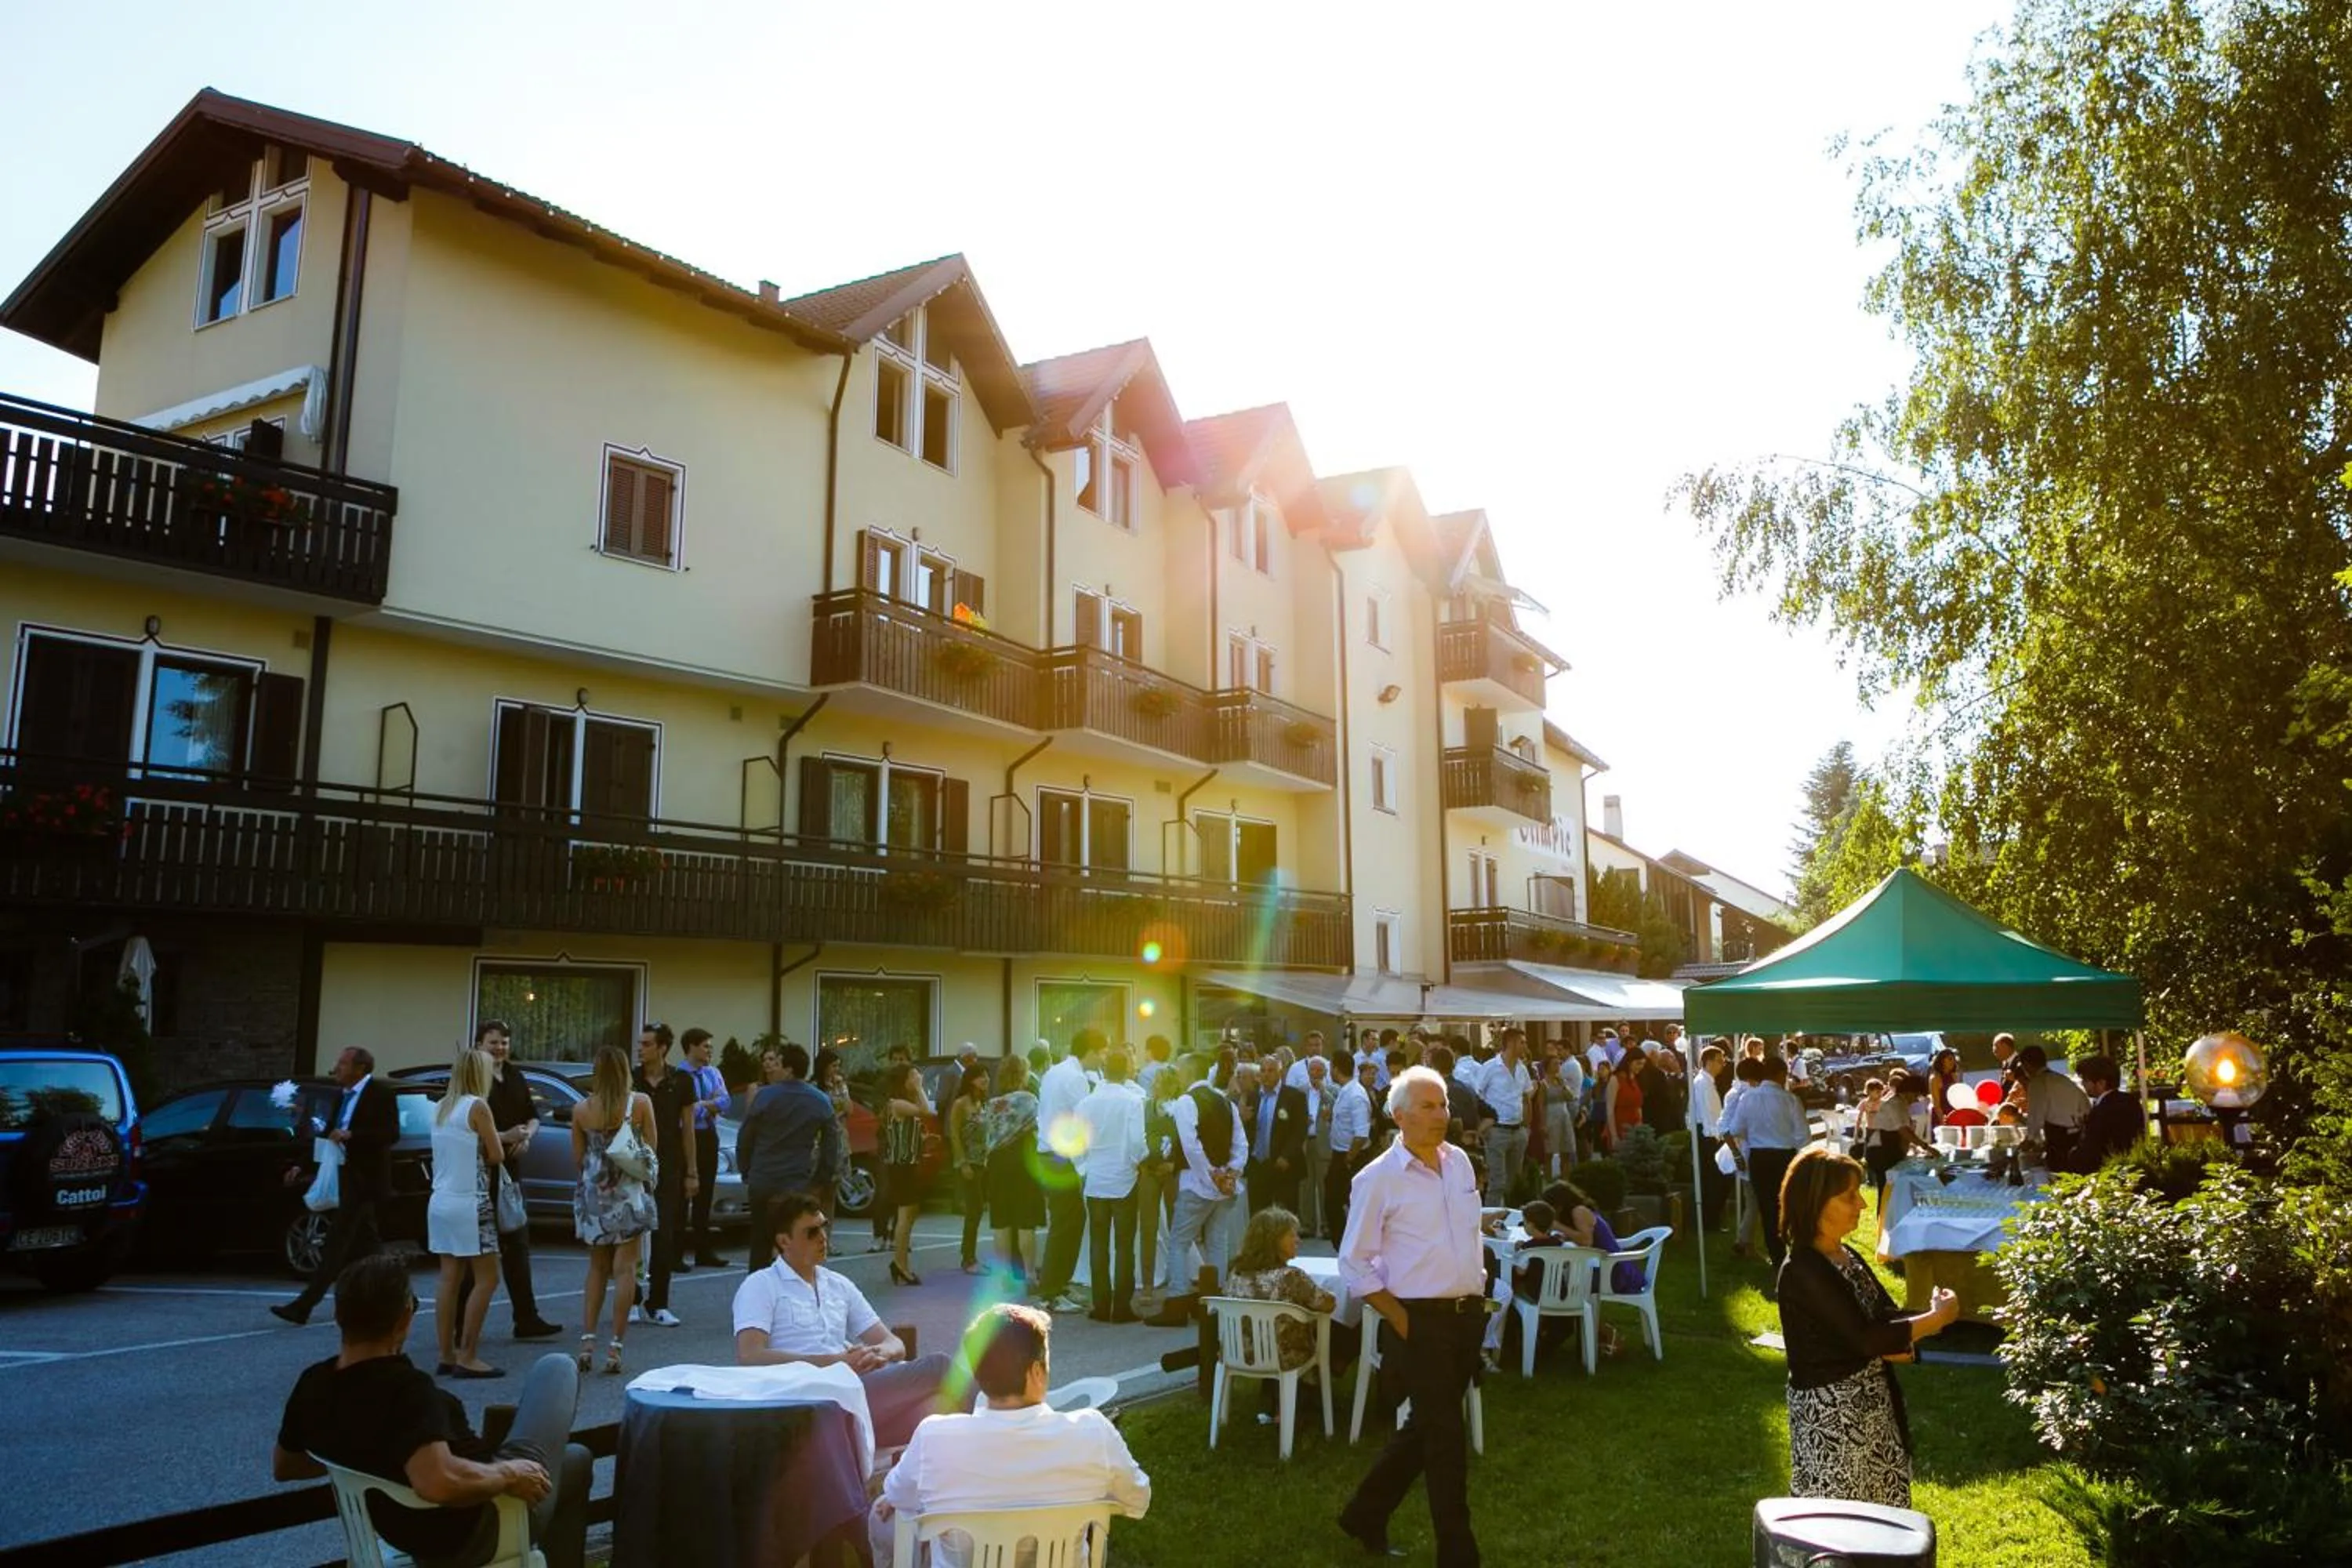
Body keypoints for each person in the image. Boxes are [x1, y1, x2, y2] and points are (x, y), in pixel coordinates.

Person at [272, 1254, 590, 1568]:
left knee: (576, 1459)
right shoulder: (406, 1391)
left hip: (401, 1530)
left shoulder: (314, 1383)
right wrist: (508, 1473)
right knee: (557, 1368)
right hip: (481, 1530)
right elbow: (438, 1483)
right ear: (405, 1318)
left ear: (340, 1314)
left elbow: (286, 1465)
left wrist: (362, 1457)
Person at [1335, 1066, 1486, 1566]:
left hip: (1466, 1318)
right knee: (1445, 1437)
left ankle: (1364, 1512)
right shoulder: (1377, 1178)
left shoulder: (1460, 1162)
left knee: (1426, 1426)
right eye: (1428, 1106)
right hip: (1418, 1321)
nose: (1442, 1114)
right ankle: (1458, 1553)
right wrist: (1402, 1321)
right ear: (1399, 1116)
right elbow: (1354, 1260)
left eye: (1443, 1104)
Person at [869, 1303, 1149, 1566]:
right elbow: (1138, 1499)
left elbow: (899, 1495)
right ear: (1037, 1371)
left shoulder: (934, 1437)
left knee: (882, 1518)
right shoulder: (1093, 1432)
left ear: (978, 1375)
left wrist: (900, 1498)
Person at [1777, 1147, 1961, 1508]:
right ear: (1816, 1203)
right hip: (1831, 1419)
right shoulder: (1803, 1270)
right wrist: (1935, 1319)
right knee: (1838, 1519)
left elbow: (1882, 1315)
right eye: (1848, 1196)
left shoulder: (1846, 1256)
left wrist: (1926, 1317)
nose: (1861, 1204)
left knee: (1882, 1511)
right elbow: (1864, 1339)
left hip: (1870, 1406)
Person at [733, 1190, 955, 1449]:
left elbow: (893, 1342)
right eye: (811, 1232)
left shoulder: (837, 1284)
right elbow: (749, 1356)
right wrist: (834, 1362)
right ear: (784, 1241)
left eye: (824, 1227)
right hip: (807, 1396)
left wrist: (877, 1353)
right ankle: (1007, 1432)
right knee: (940, 1366)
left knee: (937, 1410)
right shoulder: (761, 1285)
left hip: (850, 1391)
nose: (823, 1238)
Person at [273, 1046, 398, 1327]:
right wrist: (301, 1165)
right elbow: (328, 1134)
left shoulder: (380, 1094)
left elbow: (390, 1133)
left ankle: (304, 1306)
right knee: (368, 1245)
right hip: (344, 1177)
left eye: (343, 1064)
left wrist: (353, 1135)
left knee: (336, 1243)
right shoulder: (342, 1096)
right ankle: (405, 1299)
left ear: (360, 1069)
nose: (336, 1068)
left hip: (365, 1180)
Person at [464, 1019, 561, 1340]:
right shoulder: (472, 1081)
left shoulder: (517, 1076)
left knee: (517, 1244)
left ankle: (527, 1318)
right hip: (478, 1176)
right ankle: (458, 1327)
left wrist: (527, 1136)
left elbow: (532, 1116)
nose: (500, 1048)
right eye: (493, 1042)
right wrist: (504, 1137)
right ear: (479, 1044)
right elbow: (466, 1129)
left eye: (504, 1042)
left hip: (510, 1176)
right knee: (475, 1253)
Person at [570, 1044, 657, 1376]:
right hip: (629, 1193)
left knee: (596, 1270)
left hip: (595, 1196)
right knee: (626, 1270)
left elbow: (577, 1160)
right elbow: (652, 1148)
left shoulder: (581, 1110)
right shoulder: (640, 1104)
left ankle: (587, 1341)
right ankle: (616, 1347)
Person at [428, 1046, 506, 1378]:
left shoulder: (440, 1108)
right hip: (470, 1201)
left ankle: (446, 1353)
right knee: (488, 1278)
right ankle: (468, 1354)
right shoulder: (478, 1107)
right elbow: (496, 1153)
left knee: (449, 1278)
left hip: (440, 1200)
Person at [736, 1041, 845, 1273]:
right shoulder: (819, 1100)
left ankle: (756, 1297)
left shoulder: (765, 1096)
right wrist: (822, 1179)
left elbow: (746, 1136)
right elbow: (831, 1143)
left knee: (760, 1241)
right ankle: (792, 1294)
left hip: (763, 1177)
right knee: (795, 1241)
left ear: (787, 1068)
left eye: (779, 1063)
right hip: (796, 1181)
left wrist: (746, 1169)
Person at [1161, 1054, 1245, 1310]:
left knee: (1179, 1241)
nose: (1177, 1074)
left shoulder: (1188, 1101)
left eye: (1179, 1069)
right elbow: (1241, 1144)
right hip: (1223, 1187)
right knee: (1217, 1241)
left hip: (1196, 1184)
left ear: (1189, 1072)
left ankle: (1178, 1299)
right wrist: (1230, 1173)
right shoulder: (1225, 1102)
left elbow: (1191, 1145)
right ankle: (1215, 1302)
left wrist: (1212, 1175)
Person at [1033, 1030, 1106, 1312]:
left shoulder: (1056, 1071)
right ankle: (1051, 1293)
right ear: (1089, 1050)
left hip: (1049, 1153)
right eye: (1101, 1052)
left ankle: (1058, 1285)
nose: (1102, 1059)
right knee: (1066, 1223)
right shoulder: (1075, 1078)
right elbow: (1086, 1117)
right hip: (1061, 1157)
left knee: (1069, 1220)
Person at [630, 1023, 697, 1328]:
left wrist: (692, 1172)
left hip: (669, 1167)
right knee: (631, 1232)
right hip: (631, 1165)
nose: (641, 1049)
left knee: (663, 1234)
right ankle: (629, 1299)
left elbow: (689, 1130)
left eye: (646, 1044)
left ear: (662, 1048)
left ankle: (659, 1303)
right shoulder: (631, 1078)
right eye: (640, 1044)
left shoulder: (681, 1081)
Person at [1719, 1054, 1811, 1269]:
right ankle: (1791, 1252)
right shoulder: (1790, 1099)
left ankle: (1778, 1258)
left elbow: (1736, 1130)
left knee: (1767, 1208)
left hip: (1759, 1158)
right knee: (1787, 1205)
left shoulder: (1748, 1098)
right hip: (1784, 1157)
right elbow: (1804, 1137)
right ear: (1781, 1075)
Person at [1075, 1047, 1146, 1323]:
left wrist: (1083, 1169)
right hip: (1123, 1178)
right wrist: (1135, 1163)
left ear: (1104, 1071)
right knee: (1125, 1245)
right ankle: (1122, 1306)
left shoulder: (1086, 1103)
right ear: (1126, 1070)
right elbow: (1137, 1143)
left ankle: (1101, 1304)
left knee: (1098, 1243)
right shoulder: (1132, 1101)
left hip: (1095, 1179)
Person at [1225, 1205, 1337, 1373]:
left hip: (1239, 1354)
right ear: (1273, 1240)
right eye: (1292, 1235)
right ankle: (1317, 1383)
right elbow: (1328, 1304)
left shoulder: (1236, 1272)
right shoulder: (1290, 1277)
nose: (1298, 1240)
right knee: (1337, 1327)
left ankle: (1274, 1390)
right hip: (1282, 1357)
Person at [982, 1052, 1044, 1284]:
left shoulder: (993, 1104)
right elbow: (1040, 1128)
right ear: (1023, 1074)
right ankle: (1029, 1274)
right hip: (1023, 1161)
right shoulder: (1029, 1100)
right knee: (1026, 1223)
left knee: (1001, 1223)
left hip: (998, 1163)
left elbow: (986, 1137)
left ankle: (1004, 1275)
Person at [681, 1028, 731, 1269]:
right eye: (705, 1046)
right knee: (682, 1196)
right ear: (691, 1047)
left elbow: (725, 1101)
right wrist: (707, 1105)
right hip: (688, 1136)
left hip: (709, 1136)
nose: (710, 1050)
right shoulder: (680, 1075)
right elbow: (685, 1113)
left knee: (705, 1196)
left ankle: (703, 1251)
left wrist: (701, 1104)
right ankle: (675, 1252)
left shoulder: (713, 1073)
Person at [879, 1060, 931, 1287]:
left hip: (907, 1163)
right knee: (905, 1214)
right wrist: (920, 1088)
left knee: (910, 1213)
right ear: (903, 1081)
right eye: (913, 1076)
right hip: (901, 1166)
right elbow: (927, 1111)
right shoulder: (897, 1103)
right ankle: (900, 1264)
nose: (917, 1078)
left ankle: (901, 1261)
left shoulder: (903, 1103)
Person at [1475, 1029, 1533, 1206]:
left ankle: (1512, 1221)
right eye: (1522, 1042)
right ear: (1511, 1043)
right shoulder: (1491, 1067)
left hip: (1518, 1131)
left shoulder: (1522, 1069)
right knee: (1496, 1182)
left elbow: (1526, 1097)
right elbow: (1477, 1095)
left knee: (1514, 1184)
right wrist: (1484, 1124)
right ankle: (1490, 1220)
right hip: (1497, 1131)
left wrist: (1526, 1127)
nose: (1525, 1046)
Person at [947, 1065, 992, 1275]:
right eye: (981, 1077)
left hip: (983, 1163)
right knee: (974, 1210)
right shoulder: (960, 1104)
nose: (986, 1080)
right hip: (968, 1163)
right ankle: (968, 1258)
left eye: (986, 1077)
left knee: (978, 1210)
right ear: (971, 1080)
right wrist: (962, 1163)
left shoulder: (981, 1103)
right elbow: (954, 1135)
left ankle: (970, 1254)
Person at [2016, 1046, 2091, 1169]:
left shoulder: (2038, 1083)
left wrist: (2029, 1139)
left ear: (2026, 1065)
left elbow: (2036, 1116)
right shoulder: (2063, 1080)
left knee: (2059, 1177)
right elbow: (2085, 1106)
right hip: (2078, 1135)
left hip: (2059, 1140)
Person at [2067, 1054, 2146, 1172]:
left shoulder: (2101, 1110)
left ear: (2101, 1083)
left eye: (2086, 1080)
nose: (2083, 1084)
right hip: (2134, 1166)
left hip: (2107, 1171)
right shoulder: (2131, 1101)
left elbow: (2091, 1151)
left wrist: (2073, 1155)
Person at [1327, 1054, 1375, 1240]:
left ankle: (1347, 1243)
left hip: (1352, 1158)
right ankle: (1344, 1242)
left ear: (1336, 1069)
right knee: (1335, 1201)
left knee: (1346, 1202)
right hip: (1341, 1154)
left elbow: (1361, 1134)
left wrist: (1348, 1159)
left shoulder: (1356, 1095)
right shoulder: (1345, 1091)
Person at [1604, 1044, 1645, 1153]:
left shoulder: (1636, 1080)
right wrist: (1614, 1136)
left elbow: (1638, 1107)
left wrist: (1641, 1129)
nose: (1640, 1067)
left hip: (1635, 1129)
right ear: (1629, 1062)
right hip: (1620, 1126)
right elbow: (1610, 1109)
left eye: (1643, 1064)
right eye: (1638, 1063)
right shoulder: (1615, 1079)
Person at [1926, 1047, 1964, 1129]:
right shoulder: (1935, 1078)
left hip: (1953, 1112)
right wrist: (1943, 1120)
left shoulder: (1954, 1076)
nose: (1953, 1062)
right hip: (1940, 1113)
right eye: (1950, 1059)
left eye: (1954, 1059)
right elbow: (1936, 1104)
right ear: (1942, 1061)